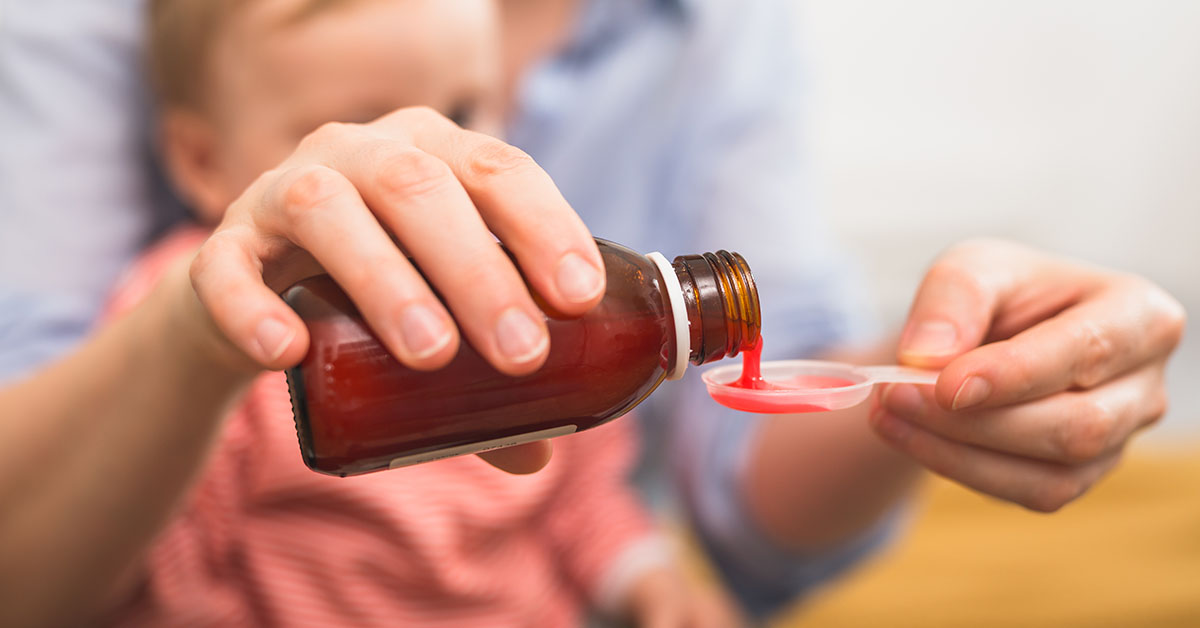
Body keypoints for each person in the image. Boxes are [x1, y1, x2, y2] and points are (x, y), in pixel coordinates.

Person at [0, 0, 1185, 626]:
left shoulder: (566, 338)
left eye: (467, 103)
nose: (432, 153)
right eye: (355, 126)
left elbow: (585, 503)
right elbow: (152, 564)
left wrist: (643, 579)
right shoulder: (206, 326)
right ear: (202, 161)